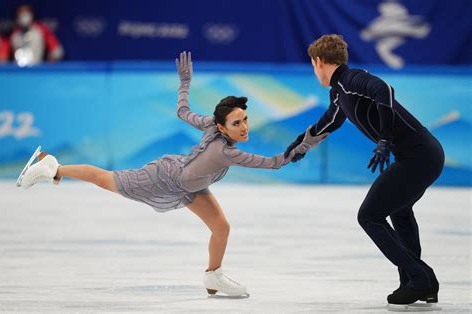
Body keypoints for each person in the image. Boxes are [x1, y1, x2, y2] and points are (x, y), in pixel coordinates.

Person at [17, 51, 328, 298]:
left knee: (221, 227)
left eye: (245, 119)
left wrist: (184, 83)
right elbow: (273, 163)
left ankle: (213, 275)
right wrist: (304, 144)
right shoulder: (227, 151)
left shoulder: (211, 124)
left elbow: (182, 110)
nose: (244, 127)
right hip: (164, 177)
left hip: (188, 185)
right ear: (221, 127)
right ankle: (53, 167)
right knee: (107, 180)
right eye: (237, 123)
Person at [284, 35, 444, 307]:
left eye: (313, 65)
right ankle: (416, 283)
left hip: (418, 156)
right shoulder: (339, 91)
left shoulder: (352, 79)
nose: (314, 71)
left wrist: (384, 138)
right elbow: (330, 122)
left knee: (369, 216)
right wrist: (302, 144)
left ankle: (421, 278)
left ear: (319, 61)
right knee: (399, 211)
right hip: (424, 154)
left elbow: (385, 90)